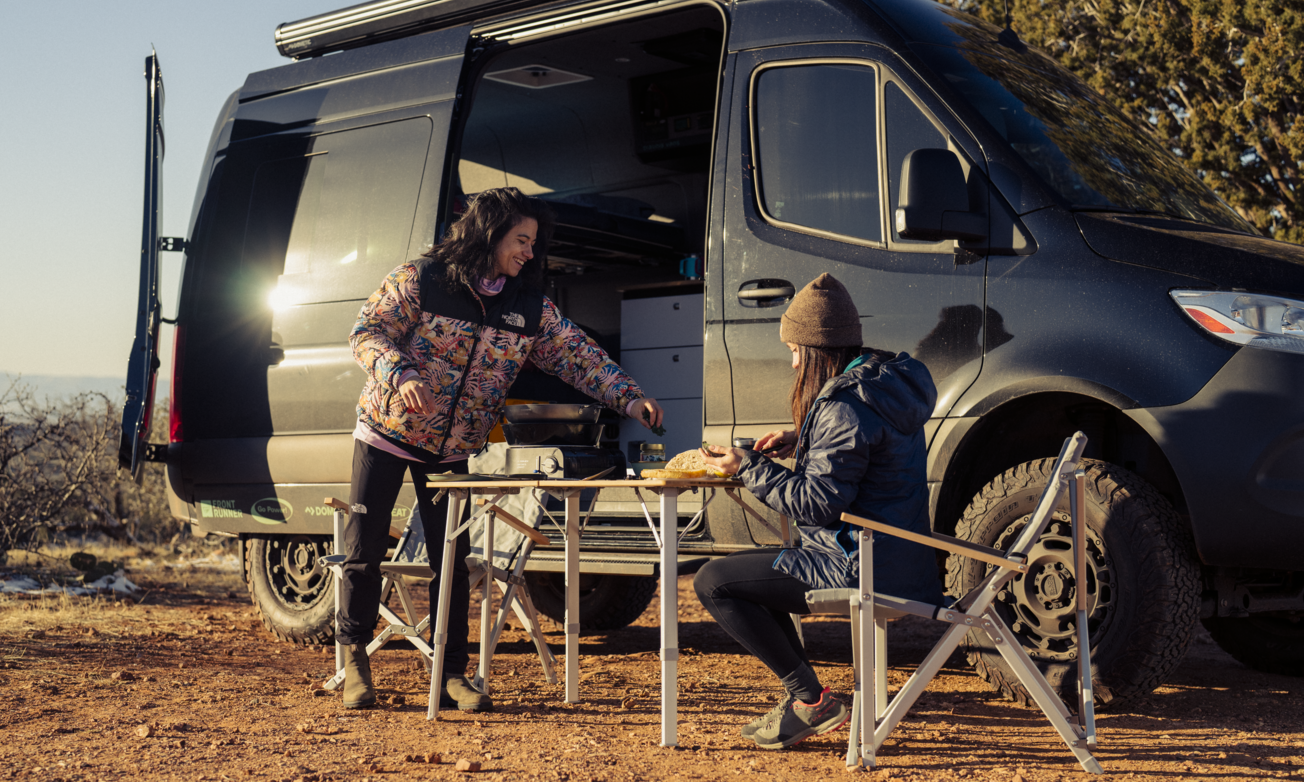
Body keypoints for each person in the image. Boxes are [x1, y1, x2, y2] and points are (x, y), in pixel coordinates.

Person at [341, 187, 664, 712]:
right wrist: (399, 375)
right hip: (386, 433)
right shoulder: (420, 280)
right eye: (521, 239)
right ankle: (354, 660)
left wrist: (629, 398)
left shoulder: (527, 305)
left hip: (453, 450)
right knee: (364, 549)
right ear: (489, 232)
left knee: (452, 560)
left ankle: (450, 673)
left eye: (534, 242)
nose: (529, 252)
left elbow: (577, 356)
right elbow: (367, 332)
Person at [697, 273, 942, 749]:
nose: (792, 363)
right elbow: (869, 459)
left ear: (815, 348)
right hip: (903, 563)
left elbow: (816, 503)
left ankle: (810, 700)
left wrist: (748, 466)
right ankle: (806, 700)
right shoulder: (883, 386)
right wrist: (801, 441)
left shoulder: (844, 405)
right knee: (753, 572)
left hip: (859, 568)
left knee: (714, 581)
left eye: (794, 350)